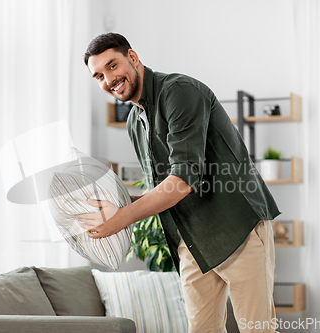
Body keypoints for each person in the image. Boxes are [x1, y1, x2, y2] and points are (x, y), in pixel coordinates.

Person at [79, 32, 281, 333]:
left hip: (238, 228)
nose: (108, 79)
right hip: (192, 241)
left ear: (132, 58)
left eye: (112, 66)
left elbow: (183, 180)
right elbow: (161, 185)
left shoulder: (179, 92)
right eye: (98, 76)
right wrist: (118, 208)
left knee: (257, 330)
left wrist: (121, 218)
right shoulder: (135, 120)